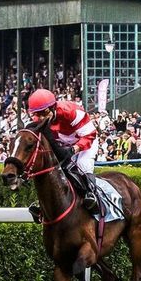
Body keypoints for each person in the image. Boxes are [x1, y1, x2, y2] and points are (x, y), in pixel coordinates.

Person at [25, 89, 100, 223]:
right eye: (37, 114)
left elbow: (89, 135)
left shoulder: (72, 112)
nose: (40, 118)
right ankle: (42, 203)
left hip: (85, 140)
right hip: (62, 144)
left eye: (44, 113)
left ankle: (91, 195)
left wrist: (74, 149)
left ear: (53, 107)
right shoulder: (38, 119)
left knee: (82, 164)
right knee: (50, 170)